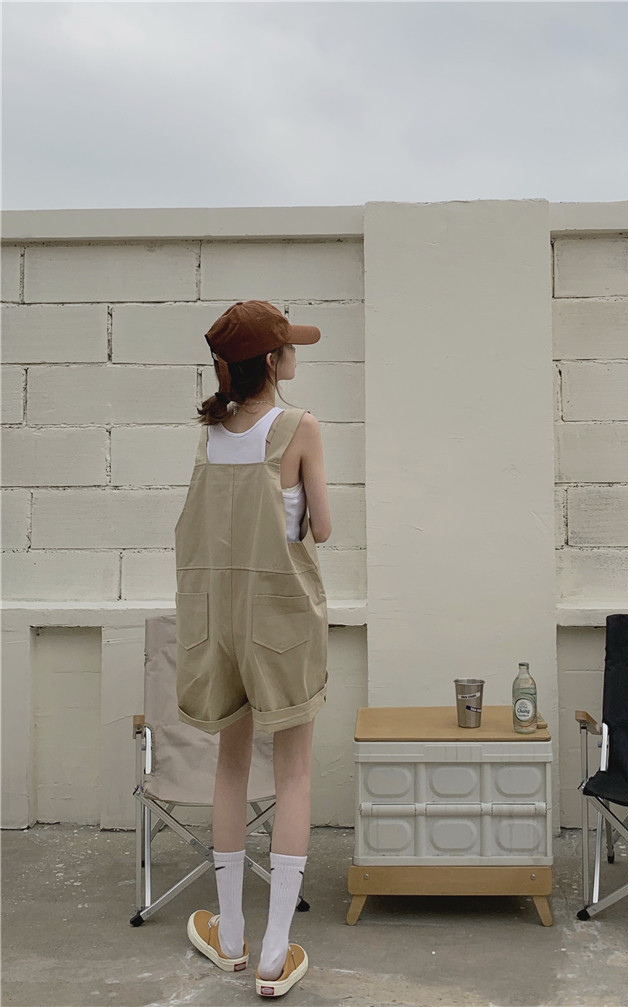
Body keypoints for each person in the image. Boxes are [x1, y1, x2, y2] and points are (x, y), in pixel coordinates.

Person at [173, 300, 331, 998]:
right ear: (271, 360)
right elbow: (322, 528)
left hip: (220, 624)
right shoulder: (299, 427)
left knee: (231, 767)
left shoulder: (210, 434)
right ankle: (274, 954)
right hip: (283, 621)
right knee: (293, 773)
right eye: (289, 346)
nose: (295, 353)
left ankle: (230, 936)